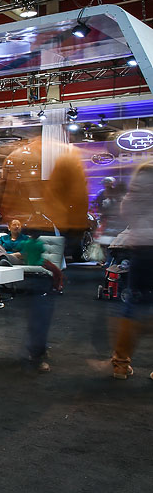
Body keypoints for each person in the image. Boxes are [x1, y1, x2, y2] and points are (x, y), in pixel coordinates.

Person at [110, 161, 153, 380]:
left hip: (142, 250)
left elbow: (125, 211)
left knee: (133, 304)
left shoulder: (138, 183)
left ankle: (120, 365)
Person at [21, 228, 56, 373]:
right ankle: (37, 354)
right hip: (40, 271)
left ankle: (37, 351)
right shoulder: (39, 244)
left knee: (35, 316)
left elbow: (23, 254)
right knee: (41, 316)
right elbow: (42, 252)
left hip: (29, 272)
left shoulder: (27, 243)